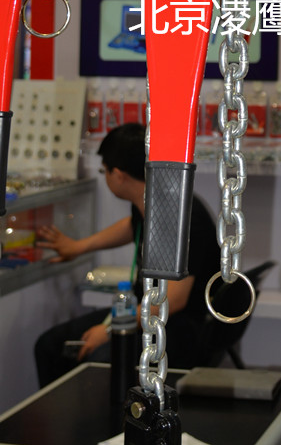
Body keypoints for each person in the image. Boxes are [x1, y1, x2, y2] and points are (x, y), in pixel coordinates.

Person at [34, 123, 220, 387]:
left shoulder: (182, 218)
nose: (105, 177)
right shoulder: (152, 200)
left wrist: (110, 329)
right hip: (145, 313)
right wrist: (79, 247)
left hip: (179, 327)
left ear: (119, 175)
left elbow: (174, 301)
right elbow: (131, 226)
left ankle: (108, 413)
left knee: (97, 360)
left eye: (104, 171)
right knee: (49, 345)